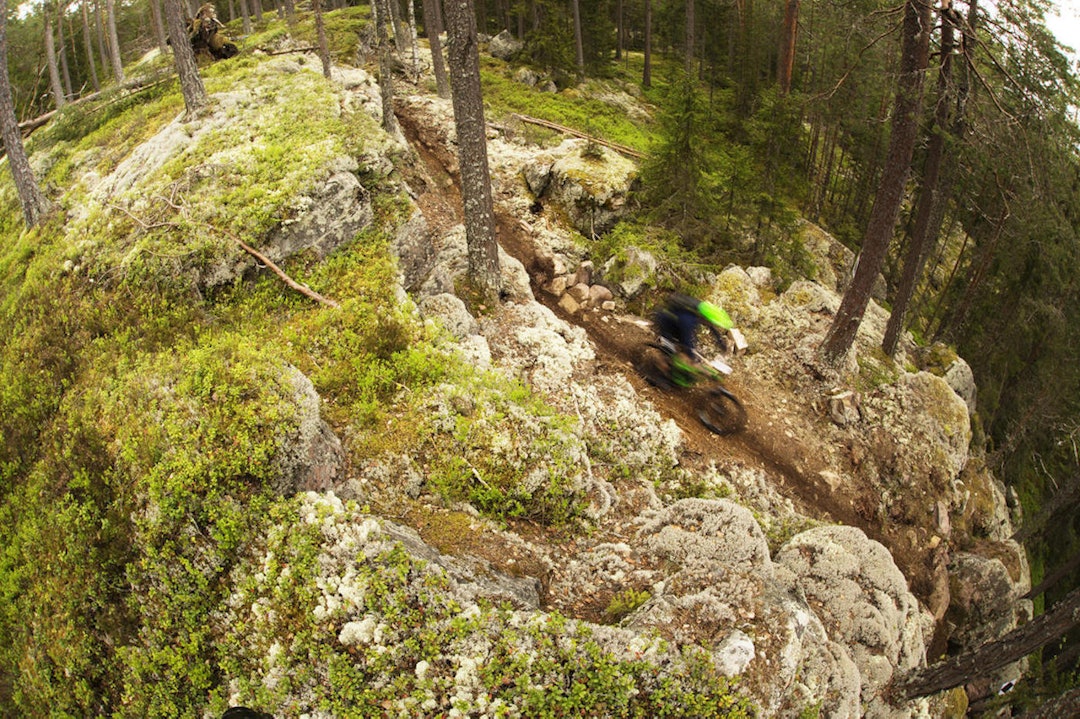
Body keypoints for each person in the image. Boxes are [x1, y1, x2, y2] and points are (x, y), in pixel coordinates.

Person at [653, 292, 733, 379]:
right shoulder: (688, 320)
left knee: (689, 352)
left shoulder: (700, 315)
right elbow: (687, 340)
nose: (710, 324)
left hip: (677, 323)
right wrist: (692, 357)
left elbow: (712, 328)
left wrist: (721, 343)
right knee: (676, 352)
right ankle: (660, 370)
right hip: (667, 323)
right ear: (705, 318)